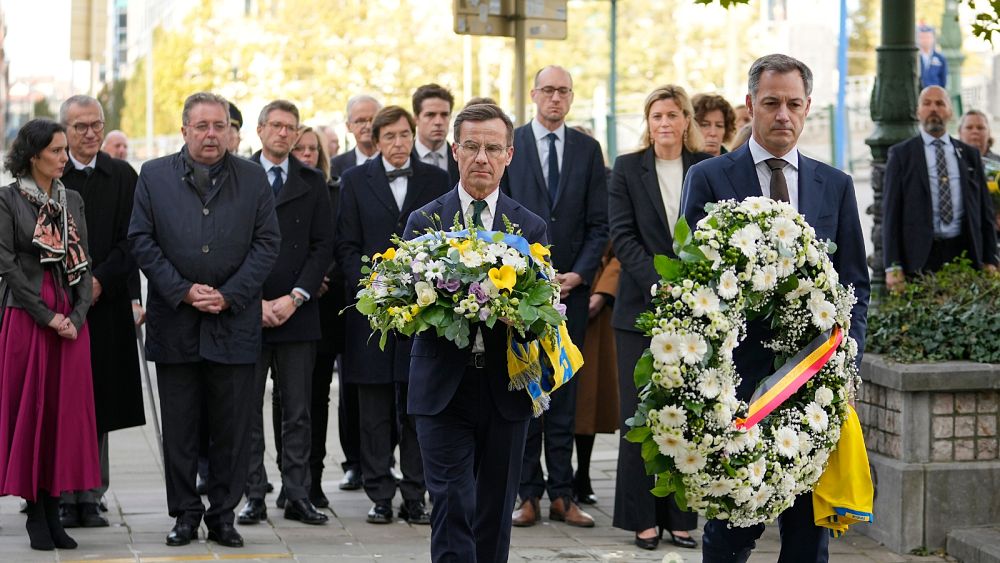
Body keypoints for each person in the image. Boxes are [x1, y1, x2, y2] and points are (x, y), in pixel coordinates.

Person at [682, 53, 870, 563]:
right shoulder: (708, 177)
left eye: (793, 103)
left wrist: (846, 363)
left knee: (809, 538)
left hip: (813, 388)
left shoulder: (835, 184)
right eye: (771, 103)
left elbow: (855, 279)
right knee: (730, 530)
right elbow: (690, 280)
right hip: (738, 393)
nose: (782, 114)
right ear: (750, 106)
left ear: (808, 108)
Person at [128, 92, 280, 549]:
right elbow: (141, 239)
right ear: (185, 130)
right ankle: (184, 515)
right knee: (179, 429)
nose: (212, 134)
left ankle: (222, 516)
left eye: (220, 126)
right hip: (176, 324)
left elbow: (267, 244)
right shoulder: (154, 176)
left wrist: (230, 295)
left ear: (231, 131)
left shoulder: (253, 179)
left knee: (231, 430)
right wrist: (181, 289)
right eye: (202, 126)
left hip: (233, 326)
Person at [404, 101, 549, 563]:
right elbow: (404, 305)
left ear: (510, 155)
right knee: (451, 501)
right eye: (471, 146)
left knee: (494, 508)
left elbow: (545, 314)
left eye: (492, 148)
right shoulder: (424, 222)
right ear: (454, 150)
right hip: (442, 387)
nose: (481, 158)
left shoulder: (529, 227)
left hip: (506, 388)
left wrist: (519, 313)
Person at [608, 84, 711, 551]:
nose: (664, 123)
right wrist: (659, 281)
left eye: (672, 114)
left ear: (686, 121)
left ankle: (681, 516)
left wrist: (689, 285)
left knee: (687, 415)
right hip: (639, 311)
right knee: (639, 416)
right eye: (656, 116)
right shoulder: (627, 169)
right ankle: (641, 518)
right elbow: (622, 235)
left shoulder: (705, 168)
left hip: (694, 311)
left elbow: (715, 229)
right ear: (647, 123)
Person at [505, 64, 607, 530]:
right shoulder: (513, 145)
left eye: (563, 91)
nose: (555, 99)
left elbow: (598, 224)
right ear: (533, 94)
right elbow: (501, 219)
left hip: (571, 293)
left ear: (571, 96)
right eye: (547, 90)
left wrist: (580, 273)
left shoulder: (587, 149)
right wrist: (528, 275)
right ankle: (527, 494)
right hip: (524, 293)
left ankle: (563, 495)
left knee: (565, 393)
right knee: (528, 392)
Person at [337, 105, 450, 525]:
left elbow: (447, 240)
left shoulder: (438, 179)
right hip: (370, 316)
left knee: (416, 409)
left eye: (405, 135)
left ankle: (415, 493)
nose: (399, 144)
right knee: (373, 411)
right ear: (376, 140)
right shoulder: (352, 180)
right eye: (390, 137)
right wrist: (371, 291)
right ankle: (379, 493)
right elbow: (345, 244)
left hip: (422, 313)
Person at [0, 118, 98, 551]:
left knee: (64, 414)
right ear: (33, 154)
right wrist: (47, 316)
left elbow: (84, 262)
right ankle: (35, 514)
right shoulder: (8, 200)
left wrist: (78, 313)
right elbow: (6, 265)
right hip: (28, 316)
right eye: (57, 151)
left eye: (64, 150)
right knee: (33, 412)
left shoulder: (71, 199)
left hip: (70, 320)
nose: (64, 157)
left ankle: (56, 510)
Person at [238, 100, 334, 527]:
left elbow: (322, 245)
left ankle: (297, 494)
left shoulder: (313, 182)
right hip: (248, 310)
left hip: (298, 311)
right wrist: (251, 300)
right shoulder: (237, 176)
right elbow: (229, 244)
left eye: (290, 127)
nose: (282, 133)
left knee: (298, 410)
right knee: (246, 410)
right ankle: (253, 494)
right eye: (275, 125)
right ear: (259, 130)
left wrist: (296, 296)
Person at [57, 95, 145, 530]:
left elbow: (135, 239)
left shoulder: (122, 175)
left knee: (99, 403)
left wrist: (100, 281)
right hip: (57, 309)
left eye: (96, 125)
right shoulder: (51, 173)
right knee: (59, 402)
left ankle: (91, 494)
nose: (90, 133)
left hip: (104, 306)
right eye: (80, 127)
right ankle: (58, 492)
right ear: (65, 131)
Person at [882, 86, 998, 291]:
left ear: (950, 112)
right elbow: (891, 214)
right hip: (918, 258)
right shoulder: (901, 155)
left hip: (964, 252)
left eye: (940, 103)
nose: (933, 108)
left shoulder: (969, 155)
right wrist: (893, 265)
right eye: (927, 103)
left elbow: (984, 212)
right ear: (918, 112)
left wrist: (990, 259)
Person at [291, 125, 347, 507]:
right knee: (287, 399)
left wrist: (320, 279)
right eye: (301, 149)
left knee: (317, 396)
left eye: (313, 149)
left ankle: (312, 480)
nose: (308, 155)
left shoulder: (332, 191)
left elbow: (337, 241)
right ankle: (286, 479)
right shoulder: (273, 190)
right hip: (284, 302)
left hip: (323, 306)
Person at [571, 242, 620, 506]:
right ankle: (551, 476)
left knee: (588, 397)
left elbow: (618, 252)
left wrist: (603, 293)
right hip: (558, 286)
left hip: (596, 297)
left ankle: (584, 472)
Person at [411, 83, 460, 185]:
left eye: (444, 115)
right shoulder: (402, 159)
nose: (438, 122)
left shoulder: (462, 159)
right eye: (430, 115)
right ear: (416, 119)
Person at [330, 94, 381, 178]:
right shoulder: (334, 166)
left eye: (373, 120)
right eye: (360, 121)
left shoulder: (394, 161)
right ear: (348, 126)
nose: (368, 126)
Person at [918, 24, 948, 89]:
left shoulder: (940, 59)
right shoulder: (915, 58)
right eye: (922, 37)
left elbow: (943, 81)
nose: (925, 40)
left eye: (928, 37)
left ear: (933, 38)